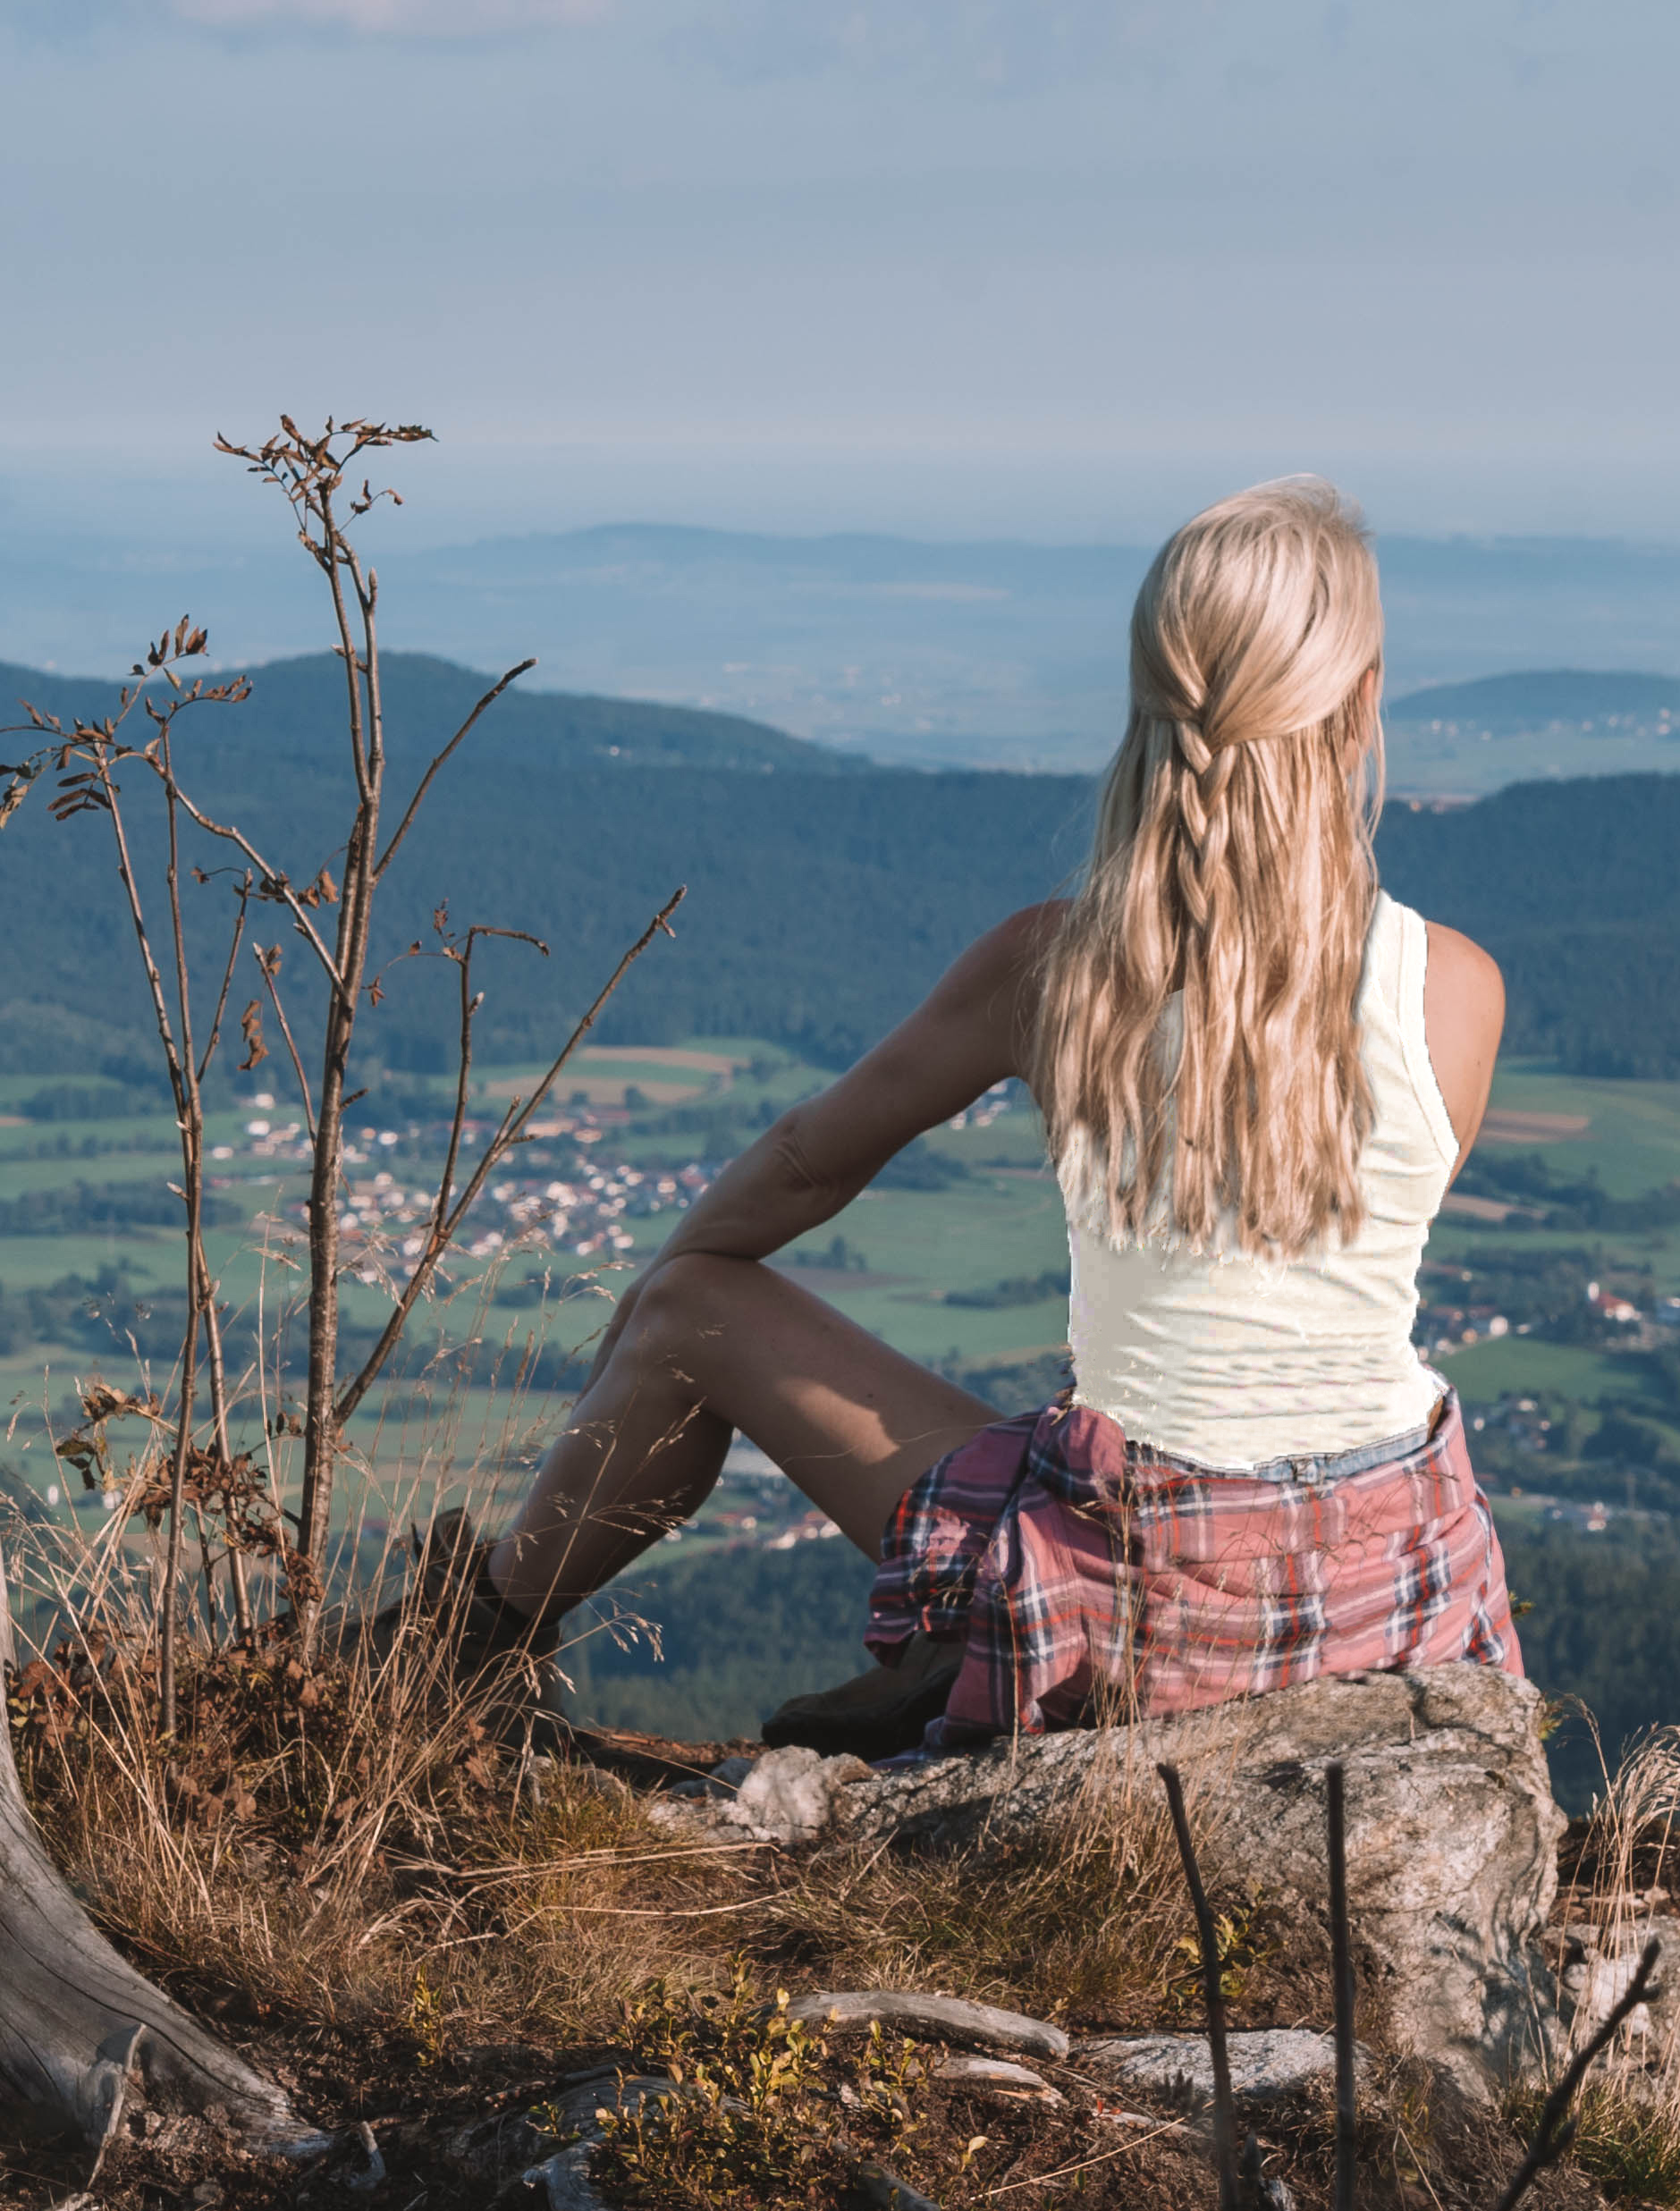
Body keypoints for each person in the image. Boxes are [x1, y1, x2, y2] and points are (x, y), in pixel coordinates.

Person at [409, 476, 1524, 1755]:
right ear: (1362, 700)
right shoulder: (1457, 992)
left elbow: (805, 1163)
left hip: (1148, 1608)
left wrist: (652, 1300)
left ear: (1150, 693)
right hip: (1402, 1591)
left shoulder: (1058, 971)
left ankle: (469, 1644)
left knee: (689, 1314)